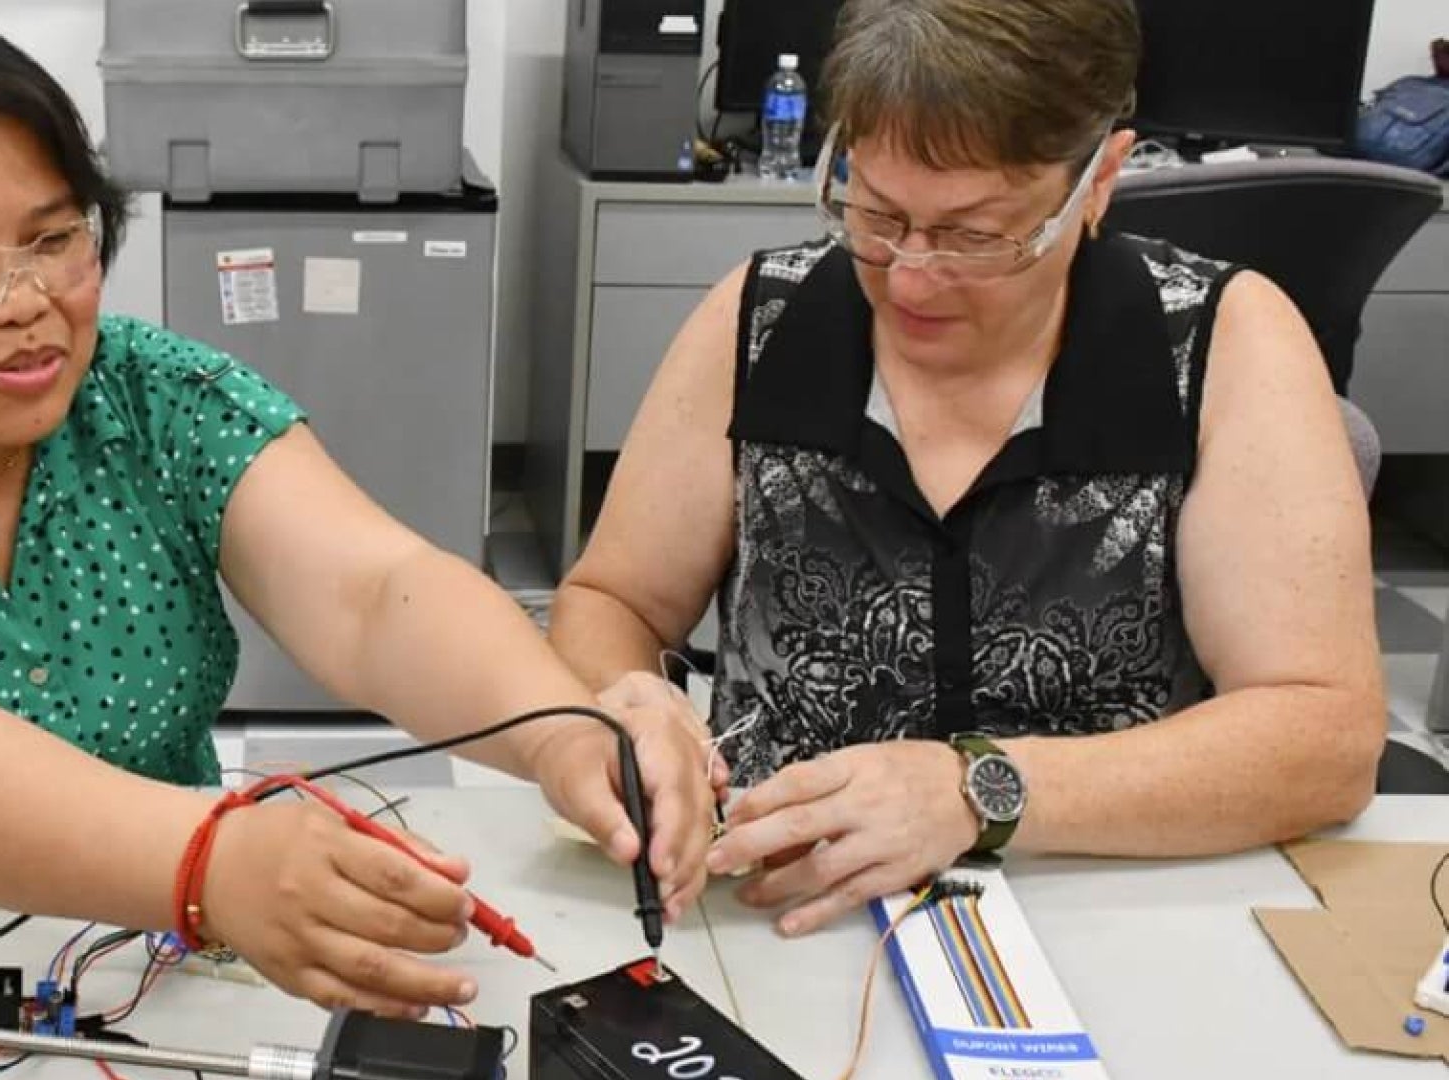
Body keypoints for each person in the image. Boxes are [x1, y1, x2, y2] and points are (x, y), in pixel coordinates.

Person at [0, 4, 714, 1017]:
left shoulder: (152, 395)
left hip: (133, 966)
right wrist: (212, 861)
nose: (27, 305)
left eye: (54, 240)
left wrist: (565, 733)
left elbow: (378, 593)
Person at [549, 0, 1385, 939]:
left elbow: (1323, 737)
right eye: (874, 210)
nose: (908, 276)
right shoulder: (760, 323)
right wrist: (628, 710)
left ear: (1100, 179)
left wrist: (982, 789)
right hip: (780, 912)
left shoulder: (1222, 344)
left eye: (976, 235)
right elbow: (613, 600)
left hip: (1110, 905)